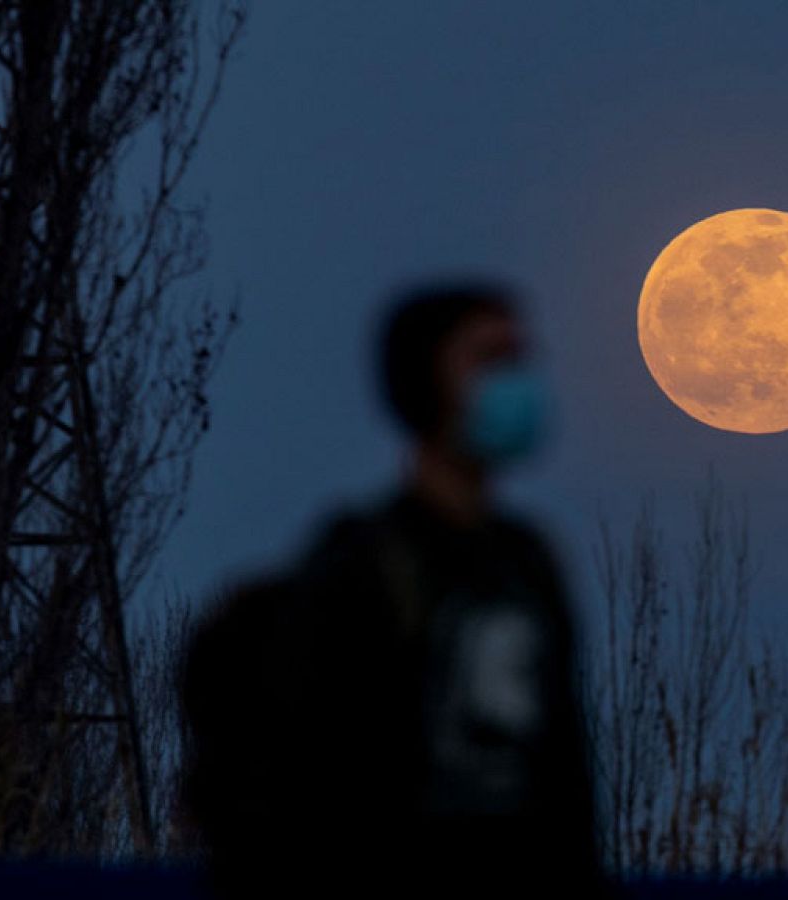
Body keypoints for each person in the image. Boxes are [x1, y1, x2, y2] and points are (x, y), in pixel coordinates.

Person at [180, 281, 611, 898]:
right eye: (490, 359)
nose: (519, 381)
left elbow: (565, 775)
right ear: (427, 384)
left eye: (521, 358)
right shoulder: (363, 567)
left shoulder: (531, 563)